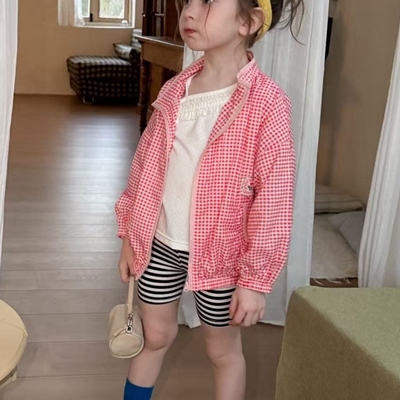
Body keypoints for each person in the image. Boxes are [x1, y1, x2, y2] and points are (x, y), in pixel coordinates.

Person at [116, 0, 303, 399]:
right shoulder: (174, 90)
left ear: (248, 22)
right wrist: (131, 234)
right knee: (154, 337)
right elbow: (144, 166)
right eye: (189, 0)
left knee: (222, 352)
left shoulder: (268, 104)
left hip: (223, 257)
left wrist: (254, 281)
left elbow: (273, 202)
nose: (188, 12)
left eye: (207, 2)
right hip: (160, 244)